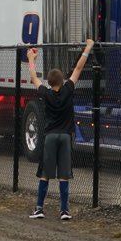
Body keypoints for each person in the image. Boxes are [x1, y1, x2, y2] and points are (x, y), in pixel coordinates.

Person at [26, 39, 95, 221]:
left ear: (49, 82)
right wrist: (87, 48)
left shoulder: (46, 94)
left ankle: (39, 208)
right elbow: (78, 69)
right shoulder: (68, 90)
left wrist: (31, 58)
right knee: (64, 175)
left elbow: (34, 77)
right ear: (63, 80)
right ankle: (64, 211)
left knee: (45, 174)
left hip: (50, 136)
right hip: (65, 136)